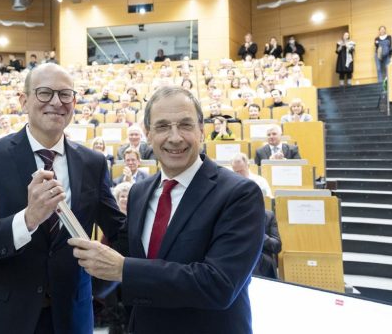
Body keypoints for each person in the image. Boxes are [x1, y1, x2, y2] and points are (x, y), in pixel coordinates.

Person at [69, 85, 265, 334]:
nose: (175, 137)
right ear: (148, 134)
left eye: (185, 125)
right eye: (162, 127)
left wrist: (123, 269)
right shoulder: (140, 193)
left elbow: (219, 285)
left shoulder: (239, 194)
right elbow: (124, 261)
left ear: (201, 130)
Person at [0, 63, 125, 334]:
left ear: (74, 102)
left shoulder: (93, 163)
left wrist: (100, 286)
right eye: (45, 93)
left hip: (70, 317)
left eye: (65, 94)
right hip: (1, 317)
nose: (56, 102)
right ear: (24, 101)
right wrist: (27, 219)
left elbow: (121, 234)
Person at [253, 210, 281, 279]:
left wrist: (259, 234)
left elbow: (277, 246)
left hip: (261, 264)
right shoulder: (234, 214)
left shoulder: (268, 215)